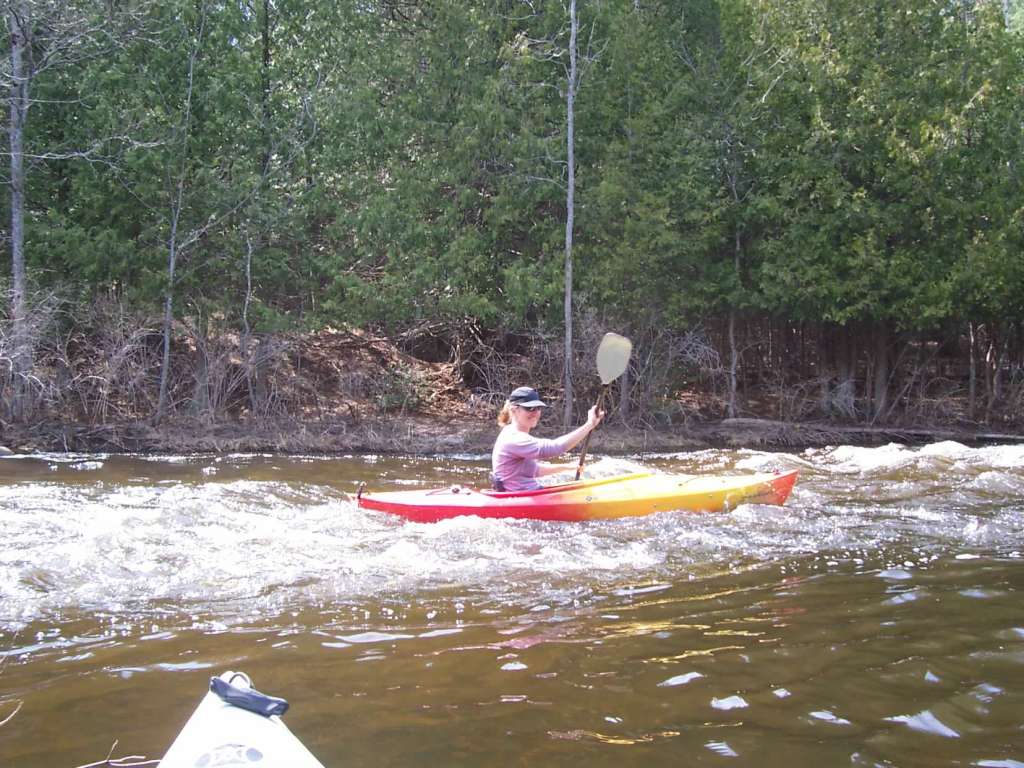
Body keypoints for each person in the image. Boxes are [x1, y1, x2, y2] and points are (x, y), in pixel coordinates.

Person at [491, 386, 604, 492]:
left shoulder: (512, 433)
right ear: (514, 410)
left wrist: (567, 467)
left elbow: (535, 470)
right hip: (519, 498)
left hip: (529, 492)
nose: (535, 413)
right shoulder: (514, 438)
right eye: (530, 408)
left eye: (538, 408)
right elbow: (556, 448)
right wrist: (589, 425)